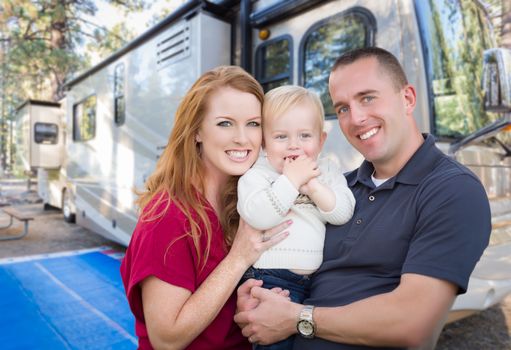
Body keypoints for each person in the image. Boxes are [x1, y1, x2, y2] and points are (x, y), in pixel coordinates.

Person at [234, 47, 491, 349]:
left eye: (367, 98)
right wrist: (257, 298)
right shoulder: (340, 186)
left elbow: (413, 323)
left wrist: (297, 318)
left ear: (407, 99)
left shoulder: (452, 190)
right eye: (342, 108)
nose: (356, 118)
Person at [120, 65, 291, 350]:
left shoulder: (249, 201)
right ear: (197, 130)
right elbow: (167, 338)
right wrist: (238, 259)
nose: (243, 138)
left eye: (253, 123)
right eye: (225, 123)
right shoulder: (167, 216)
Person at [237, 85, 356, 349]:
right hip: (270, 280)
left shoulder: (325, 170)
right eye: (281, 136)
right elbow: (258, 216)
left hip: (316, 282)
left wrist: (312, 186)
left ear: (321, 140)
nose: (294, 145)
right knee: (274, 343)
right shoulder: (258, 173)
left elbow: (343, 212)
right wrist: (290, 181)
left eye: (305, 135)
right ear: (265, 141)